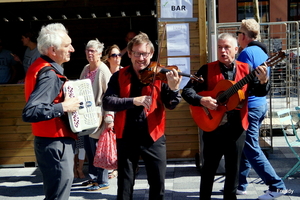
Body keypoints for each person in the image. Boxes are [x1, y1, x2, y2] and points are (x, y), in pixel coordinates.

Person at [181, 33, 269, 200]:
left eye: (227, 47)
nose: (223, 50)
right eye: (220, 47)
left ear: (236, 49)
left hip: (237, 128)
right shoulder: (206, 70)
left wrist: (264, 81)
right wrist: (202, 100)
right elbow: (187, 91)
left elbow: (259, 91)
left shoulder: (247, 69)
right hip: (213, 127)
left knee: (233, 171)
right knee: (209, 170)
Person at [102, 32, 182, 200]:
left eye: (144, 54)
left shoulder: (160, 75)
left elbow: (171, 104)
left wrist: (174, 90)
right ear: (129, 54)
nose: (141, 58)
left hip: (153, 136)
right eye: (137, 53)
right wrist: (134, 101)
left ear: (151, 54)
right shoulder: (119, 76)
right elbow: (108, 102)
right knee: (124, 184)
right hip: (126, 135)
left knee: (158, 183)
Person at [22, 23, 78, 200]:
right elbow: (30, 112)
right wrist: (64, 106)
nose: (72, 49)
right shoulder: (49, 74)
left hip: (50, 142)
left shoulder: (40, 66)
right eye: (67, 45)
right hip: (55, 143)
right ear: (53, 50)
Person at [236, 18, 287, 199]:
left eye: (238, 34)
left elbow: (239, 84)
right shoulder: (262, 53)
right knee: (243, 145)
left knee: (250, 147)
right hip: (260, 104)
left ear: (243, 36)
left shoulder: (245, 54)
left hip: (250, 106)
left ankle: (276, 186)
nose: (237, 38)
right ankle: (240, 184)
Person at [80, 39, 114, 191]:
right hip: (86, 115)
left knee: (99, 149)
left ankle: (103, 181)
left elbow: (110, 94)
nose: (90, 53)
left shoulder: (103, 70)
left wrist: (109, 117)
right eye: (88, 50)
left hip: (99, 114)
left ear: (100, 53)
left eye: (93, 51)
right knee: (89, 147)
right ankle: (93, 178)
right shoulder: (86, 68)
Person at [102, 44, 123, 179]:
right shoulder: (105, 72)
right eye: (114, 55)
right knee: (111, 141)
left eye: (119, 55)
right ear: (108, 58)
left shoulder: (124, 71)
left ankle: (119, 167)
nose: (117, 58)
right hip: (107, 110)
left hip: (121, 109)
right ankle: (112, 166)